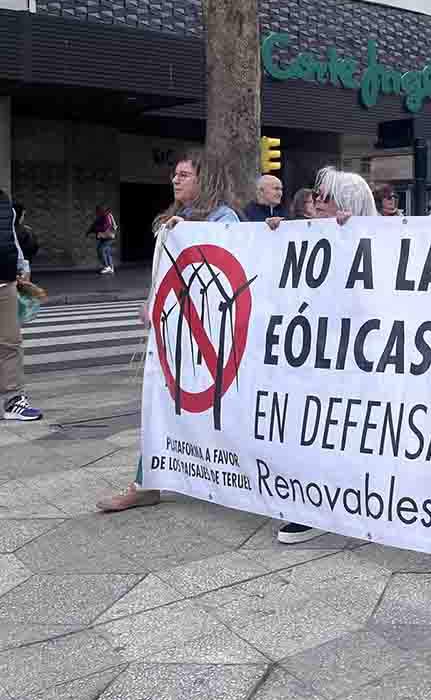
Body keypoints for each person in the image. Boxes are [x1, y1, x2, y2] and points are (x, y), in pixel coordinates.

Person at [97, 152, 241, 513]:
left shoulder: (224, 218)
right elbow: (166, 272)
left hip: (207, 333)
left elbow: (234, 261)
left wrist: (193, 233)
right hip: (174, 328)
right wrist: (151, 302)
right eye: (174, 175)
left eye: (184, 175)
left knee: (216, 411)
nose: (175, 181)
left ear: (204, 180)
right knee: (158, 404)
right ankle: (147, 481)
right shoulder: (174, 219)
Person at [269, 166, 376, 543]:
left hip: (355, 363)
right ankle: (316, 503)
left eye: (325, 197)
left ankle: (336, 504)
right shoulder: (310, 237)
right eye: (315, 196)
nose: (316, 202)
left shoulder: (377, 243)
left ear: (347, 203)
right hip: (318, 359)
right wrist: (276, 240)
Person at [0, 189, 39, 422]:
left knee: (10, 343)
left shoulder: (4, 202)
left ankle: (13, 400)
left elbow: (10, 237)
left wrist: (23, 267)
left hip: (5, 282)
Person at [86, 205, 119, 274]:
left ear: (102, 210)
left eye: (98, 211)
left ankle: (107, 267)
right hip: (104, 236)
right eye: (97, 212)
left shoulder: (107, 216)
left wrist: (96, 229)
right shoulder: (102, 216)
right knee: (106, 251)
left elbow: (105, 227)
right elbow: (94, 225)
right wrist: (89, 231)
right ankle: (110, 267)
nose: (97, 213)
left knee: (101, 249)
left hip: (109, 236)